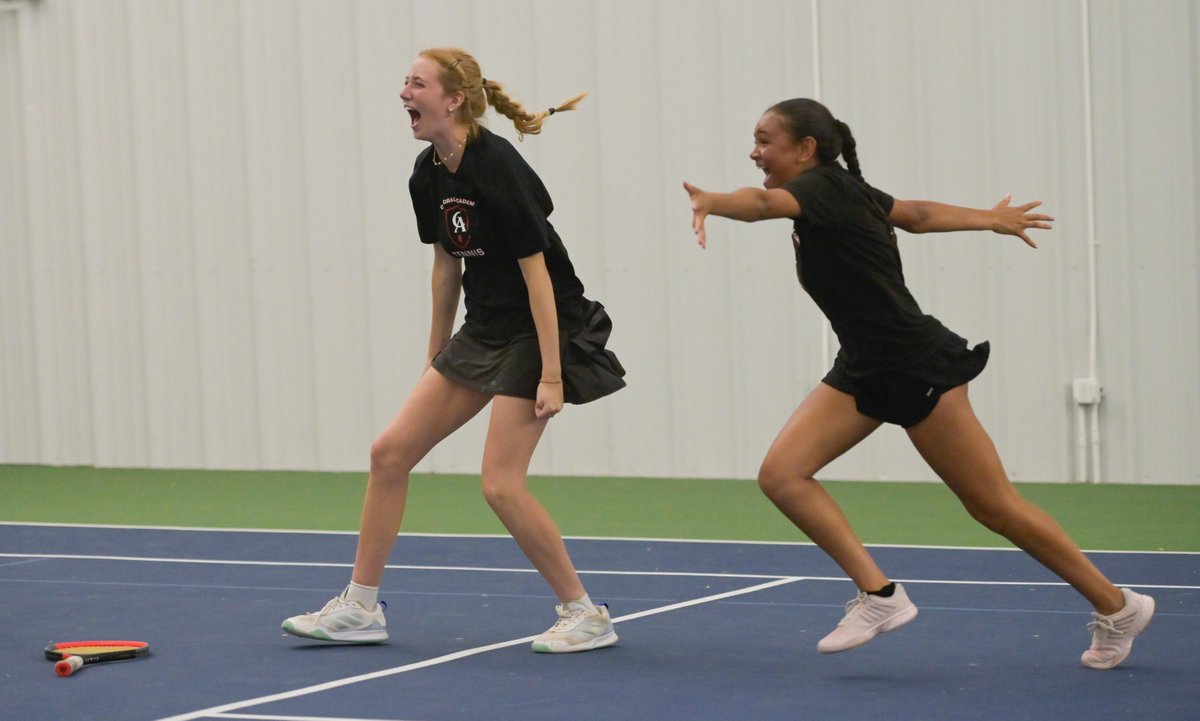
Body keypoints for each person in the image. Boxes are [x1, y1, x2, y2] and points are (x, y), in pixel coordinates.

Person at [682, 98, 1153, 670]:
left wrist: (712, 201)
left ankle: (1117, 605)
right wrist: (989, 217)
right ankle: (880, 597)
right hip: (863, 365)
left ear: (805, 149)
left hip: (912, 364)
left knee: (994, 507)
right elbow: (915, 214)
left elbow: (759, 204)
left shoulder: (823, 190)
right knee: (782, 475)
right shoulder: (844, 191)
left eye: (764, 140)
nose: (754, 152)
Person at [282, 47, 625, 654]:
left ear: (453, 99)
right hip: (486, 327)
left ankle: (585, 612)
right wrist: (435, 356)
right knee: (389, 453)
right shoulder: (428, 173)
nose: (403, 94)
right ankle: (360, 607)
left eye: (416, 84)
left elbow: (539, 276)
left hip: (539, 328)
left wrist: (551, 374)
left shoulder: (499, 166)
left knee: (500, 484)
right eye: (403, 83)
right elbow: (446, 269)